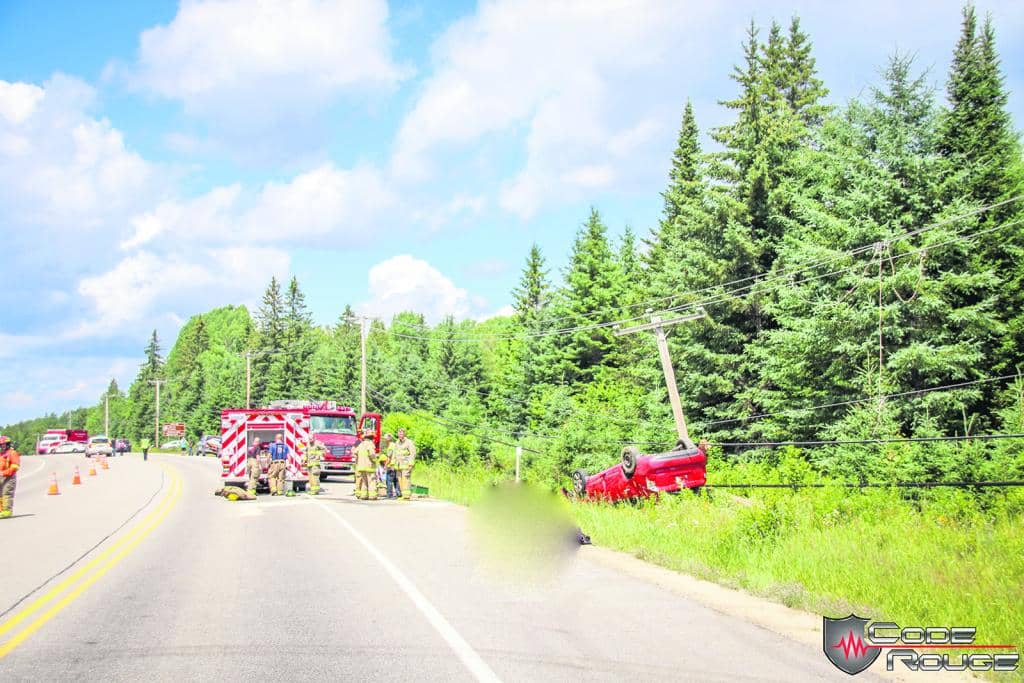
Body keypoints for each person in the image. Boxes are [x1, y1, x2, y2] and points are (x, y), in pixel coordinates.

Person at [392, 428, 417, 501]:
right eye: (399, 433)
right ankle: (403, 495)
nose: (400, 435)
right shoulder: (397, 442)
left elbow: (413, 453)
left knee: (406, 480)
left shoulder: (409, 442)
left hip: (406, 465)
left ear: (404, 434)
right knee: (400, 480)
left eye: (402, 433)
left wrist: (411, 464)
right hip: (398, 465)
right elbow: (394, 453)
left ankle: (406, 496)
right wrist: (393, 463)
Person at [0, 436, 21, 519]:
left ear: (8, 444)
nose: (2, 446)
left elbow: (15, 466)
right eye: (1, 445)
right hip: (1, 477)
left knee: (6, 493)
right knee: (0, 495)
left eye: (4, 445)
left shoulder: (12, 453)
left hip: (9, 478)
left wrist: (4, 473)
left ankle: (7, 511)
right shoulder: (1, 454)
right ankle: (1, 510)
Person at [353, 431, 377, 500]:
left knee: (364, 481)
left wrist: (358, 462)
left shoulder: (361, 444)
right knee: (371, 481)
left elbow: (355, 453)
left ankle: (364, 495)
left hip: (361, 467)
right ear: (372, 438)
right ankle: (372, 496)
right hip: (369, 466)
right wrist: (375, 461)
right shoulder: (370, 444)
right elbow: (372, 454)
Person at [382, 433, 399, 499]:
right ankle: (398, 494)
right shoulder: (394, 445)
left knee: (389, 481)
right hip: (396, 465)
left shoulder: (390, 447)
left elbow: (389, 457)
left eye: (385, 439)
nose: (384, 440)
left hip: (391, 466)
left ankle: (389, 495)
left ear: (388, 439)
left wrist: (385, 467)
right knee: (396, 481)